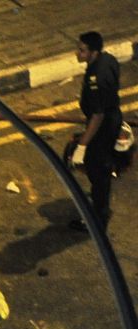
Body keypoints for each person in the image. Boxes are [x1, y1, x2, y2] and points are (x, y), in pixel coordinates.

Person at [69, 31, 123, 232]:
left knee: (97, 170)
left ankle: (98, 220)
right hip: (111, 118)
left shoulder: (95, 79)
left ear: (93, 52)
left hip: (102, 126)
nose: (77, 53)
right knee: (100, 168)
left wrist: (82, 146)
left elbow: (97, 116)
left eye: (82, 50)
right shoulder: (108, 59)